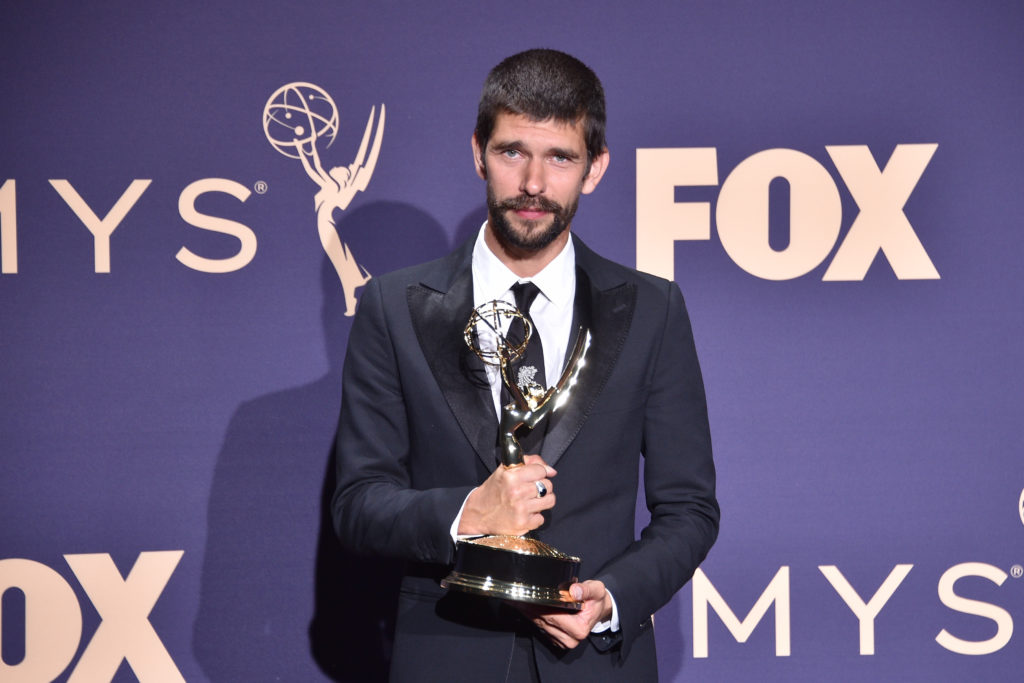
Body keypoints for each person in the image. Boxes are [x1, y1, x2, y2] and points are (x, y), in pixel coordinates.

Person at [332, 48, 718, 682]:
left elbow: (691, 509)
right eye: (513, 152)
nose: (534, 184)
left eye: (560, 158)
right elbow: (358, 504)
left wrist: (612, 598)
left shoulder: (652, 309)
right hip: (446, 655)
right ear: (478, 152)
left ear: (595, 168)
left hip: (595, 662)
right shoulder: (394, 308)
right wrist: (468, 514)